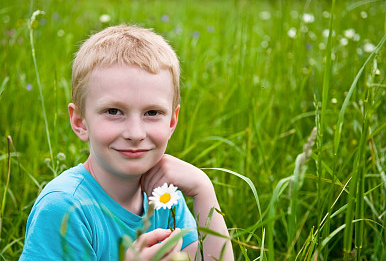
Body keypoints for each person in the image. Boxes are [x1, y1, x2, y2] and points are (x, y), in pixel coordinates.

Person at [20, 25, 234, 260]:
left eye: (152, 113)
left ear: (172, 121)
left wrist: (203, 190)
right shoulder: (65, 208)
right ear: (80, 122)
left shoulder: (165, 199)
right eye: (114, 111)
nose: (135, 133)